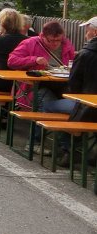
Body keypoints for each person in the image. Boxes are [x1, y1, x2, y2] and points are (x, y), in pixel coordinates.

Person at [37, 17, 97, 167]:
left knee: (50, 106)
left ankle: (67, 150)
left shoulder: (85, 53)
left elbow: (74, 85)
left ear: (94, 32)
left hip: (87, 107)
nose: (85, 33)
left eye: (87, 29)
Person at [8, 20, 75, 110]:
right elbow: (11, 61)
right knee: (73, 108)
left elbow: (72, 63)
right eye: (51, 40)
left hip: (62, 84)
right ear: (42, 36)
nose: (55, 43)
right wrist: (34, 60)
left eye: (58, 40)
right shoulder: (30, 43)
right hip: (37, 86)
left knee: (78, 106)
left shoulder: (67, 44)